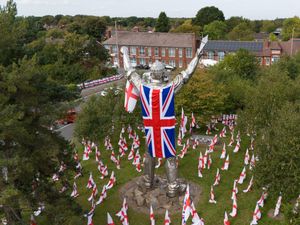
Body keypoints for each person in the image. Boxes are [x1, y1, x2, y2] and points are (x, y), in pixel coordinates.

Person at [121, 36, 208, 197]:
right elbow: (187, 73)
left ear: (152, 73)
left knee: (150, 154)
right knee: (170, 157)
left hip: (151, 129)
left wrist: (125, 54)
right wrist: (198, 55)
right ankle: (173, 187)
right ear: (163, 74)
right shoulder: (169, 88)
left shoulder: (143, 87)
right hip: (166, 129)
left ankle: (148, 181)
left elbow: (129, 72)